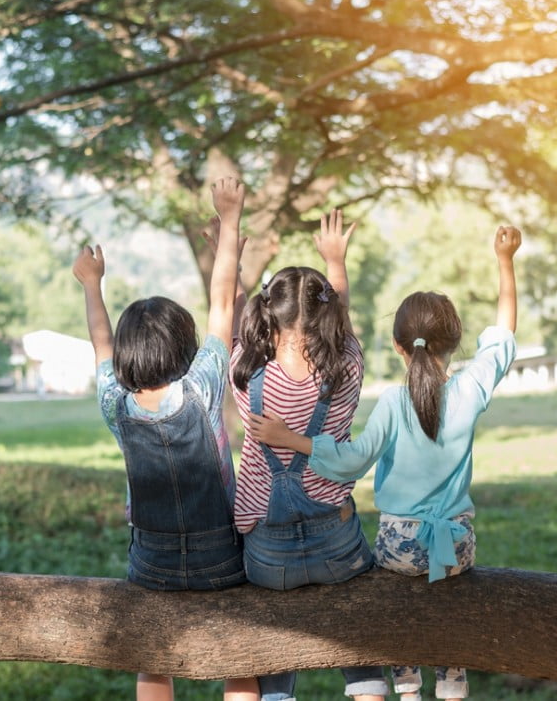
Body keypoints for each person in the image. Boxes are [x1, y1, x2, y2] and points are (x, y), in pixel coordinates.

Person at [248, 226, 522, 701]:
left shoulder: (395, 402)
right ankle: (453, 683)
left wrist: (293, 439)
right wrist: (505, 260)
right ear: (454, 341)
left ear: (399, 346)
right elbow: (503, 334)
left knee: (393, 594)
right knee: (449, 606)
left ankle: (408, 683)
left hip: (399, 545)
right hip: (457, 546)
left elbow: (354, 458)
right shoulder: (472, 388)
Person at [73, 177, 259, 701]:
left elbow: (100, 342)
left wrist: (92, 284)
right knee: (239, 654)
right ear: (186, 347)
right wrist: (229, 220)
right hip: (221, 556)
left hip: (150, 561)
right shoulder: (202, 387)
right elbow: (223, 301)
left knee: (153, 659)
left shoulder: (117, 405)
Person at [230, 209, 389, 701]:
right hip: (337, 544)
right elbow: (344, 321)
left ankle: (278, 694)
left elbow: (234, 314)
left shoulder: (243, 371)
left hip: (267, 554)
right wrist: (335, 259)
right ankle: (369, 689)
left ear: (266, 319)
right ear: (331, 319)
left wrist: (233, 261)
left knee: (276, 636)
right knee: (359, 640)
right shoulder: (345, 370)